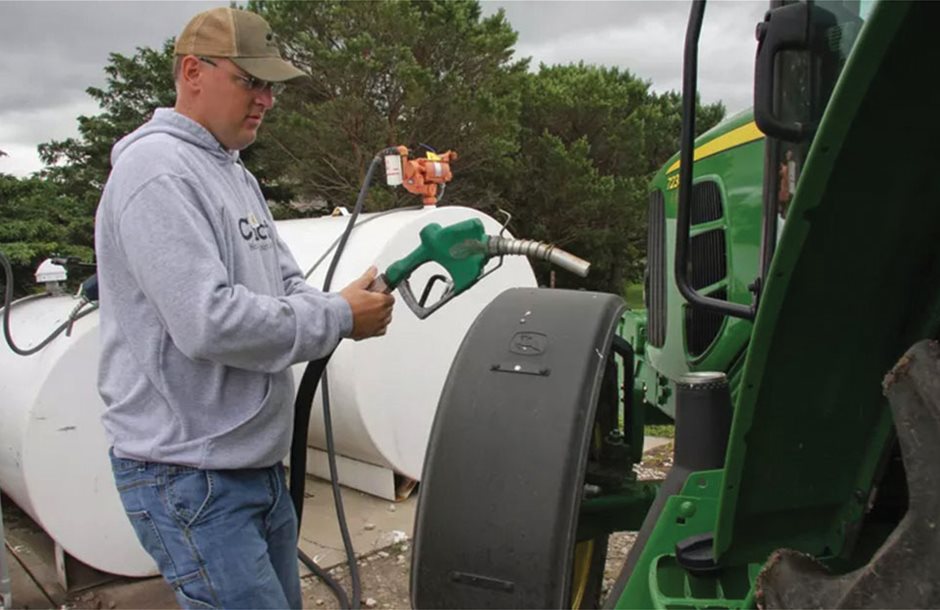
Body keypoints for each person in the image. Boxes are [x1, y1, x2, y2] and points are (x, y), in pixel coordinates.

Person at [93, 7, 394, 609]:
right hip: (188, 475)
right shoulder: (156, 172)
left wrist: (341, 305)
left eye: (271, 86)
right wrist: (337, 317)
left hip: (249, 466)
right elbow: (208, 322)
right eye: (250, 80)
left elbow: (285, 279)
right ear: (191, 72)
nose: (266, 99)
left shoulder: (232, 173)